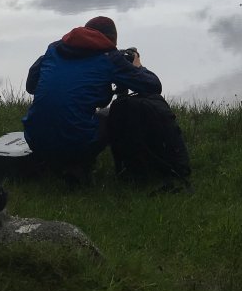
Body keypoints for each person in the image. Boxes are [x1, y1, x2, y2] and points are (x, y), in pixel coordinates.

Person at [22, 15, 162, 177]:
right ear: (110, 41)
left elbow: (30, 87)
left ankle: (55, 161)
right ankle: (84, 165)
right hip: (76, 144)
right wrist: (138, 67)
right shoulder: (109, 58)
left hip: (34, 139)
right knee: (119, 113)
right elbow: (153, 86)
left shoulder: (53, 49)